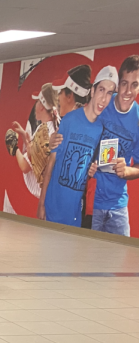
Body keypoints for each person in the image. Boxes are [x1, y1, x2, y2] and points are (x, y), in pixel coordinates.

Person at [39, 66, 118, 227]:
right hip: (53, 208)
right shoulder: (69, 120)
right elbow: (51, 165)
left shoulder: (102, 129)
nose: (104, 98)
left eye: (109, 93)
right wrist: (41, 204)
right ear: (92, 91)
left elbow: (95, 167)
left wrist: (93, 170)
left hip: (76, 215)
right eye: (101, 90)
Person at [90, 55, 139, 235]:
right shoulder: (103, 103)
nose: (128, 91)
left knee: (116, 261)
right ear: (118, 84)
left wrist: (127, 171)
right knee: (83, 259)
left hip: (118, 206)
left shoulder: (138, 120)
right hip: (91, 201)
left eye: (135, 85)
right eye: (124, 83)